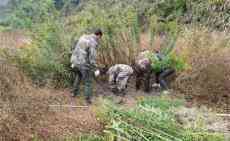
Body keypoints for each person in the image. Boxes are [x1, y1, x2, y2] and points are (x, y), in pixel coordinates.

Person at [70, 29, 103, 104]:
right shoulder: (93, 42)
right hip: (83, 64)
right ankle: (87, 100)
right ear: (99, 35)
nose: (99, 39)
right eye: (100, 38)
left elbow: (75, 46)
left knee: (78, 76)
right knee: (88, 82)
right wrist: (95, 69)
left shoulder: (83, 36)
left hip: (75, 61)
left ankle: (73, 93)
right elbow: (92, 58)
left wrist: (74, 61)